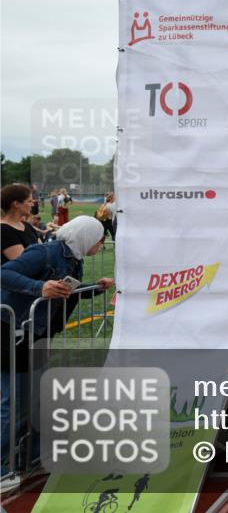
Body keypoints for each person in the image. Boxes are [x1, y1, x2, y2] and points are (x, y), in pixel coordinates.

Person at [1, 216, 113, 492]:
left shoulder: (73, 258)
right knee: (14, 401)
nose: (102, 242)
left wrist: (95, 289)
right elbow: (4, 273)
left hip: (37, 334)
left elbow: (66, 292)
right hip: (13, 333)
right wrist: (39, 287)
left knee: (37, 397)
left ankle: (33, 456)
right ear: (86, 236)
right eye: (99, 238)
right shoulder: (45, 251)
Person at [2, 184, 39, 264]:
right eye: (29, 201)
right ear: (16, 204)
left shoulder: (27, 225)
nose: (32, 204)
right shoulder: (4, 230)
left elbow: (43, 249)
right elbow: (25, 264)